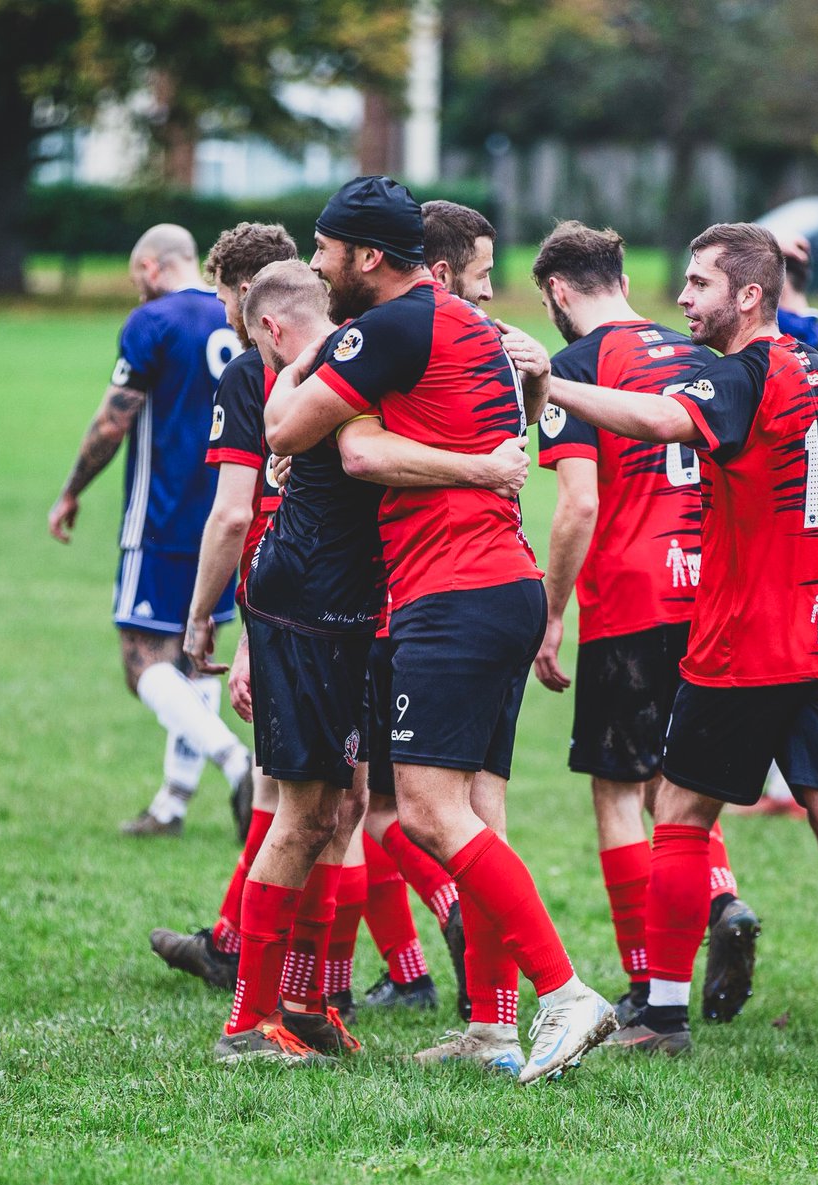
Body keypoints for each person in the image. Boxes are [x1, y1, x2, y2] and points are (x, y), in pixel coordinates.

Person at [548, 222, 818, 1068]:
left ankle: (661, 1015)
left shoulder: (743, 375)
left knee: (680, 816)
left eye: (698, 284)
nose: (684, 299)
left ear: (748, 296)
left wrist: (553, 382)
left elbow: (660, 420)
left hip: (744, 647)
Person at [264, 176, 616, 1085]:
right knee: (475, 814)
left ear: (367, 258)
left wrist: (302, 358)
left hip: (450, 592)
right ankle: (496, 1029)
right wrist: (483, 463)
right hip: (505, 585)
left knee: (421, 813)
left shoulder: (385, 329)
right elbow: (503, 435)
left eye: (325, 249)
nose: (314, 263)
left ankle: (565, 994)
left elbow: (309, 437)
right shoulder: (471, 330)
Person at [214, 256, 530, 1065]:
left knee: (346, 809)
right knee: (303, 814)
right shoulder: (327, 366)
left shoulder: (350, 358)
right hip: (305, 616)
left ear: (272, 331)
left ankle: (306, 1001)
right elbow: (326, 457)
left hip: (352, 618)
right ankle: (248, 1025)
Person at [529, 220, 761, 1026]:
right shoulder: (701, 356)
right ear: (621, 278)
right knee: (683, 784)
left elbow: (579, 503)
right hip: (711, 593)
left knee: (618, 791)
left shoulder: (574, 367)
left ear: (558, 292)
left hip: (631, 598)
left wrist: (552, 614)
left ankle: (640, 984)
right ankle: (722, 900)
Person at [352, 199, 504, 1026]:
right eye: (482, 280)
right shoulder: (489, 347)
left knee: (379, 810)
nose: (488, 300)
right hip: (485, 591)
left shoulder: (409, 339)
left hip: (432, 598)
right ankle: (492, 1018)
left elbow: (354, 448)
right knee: (453, 811)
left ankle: (547, 988)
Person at [48, 224, 253, 838]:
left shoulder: (154, 320)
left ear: (149, 265)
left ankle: (233, 759)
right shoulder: (235, 317)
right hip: (229, 514)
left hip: (161, 516)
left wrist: (71, 490)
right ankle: (172, 802)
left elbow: (114, 423)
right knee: (198, 659)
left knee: (143, 666)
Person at [148, 220, 298, 987]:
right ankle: (238, 944)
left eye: (221, 296)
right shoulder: (354, 353)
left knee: (310, 800)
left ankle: (288, 976)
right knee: (341, 798)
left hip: (289, 598)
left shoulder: (252, 372)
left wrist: (205, 615)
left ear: (246, 295)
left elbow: (234, 512)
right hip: (375, 591)